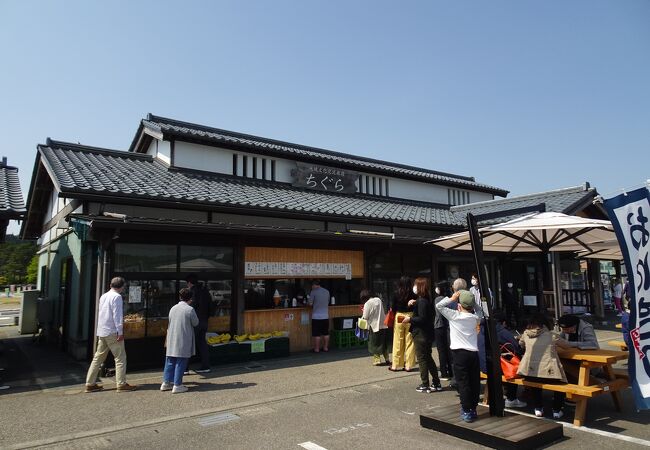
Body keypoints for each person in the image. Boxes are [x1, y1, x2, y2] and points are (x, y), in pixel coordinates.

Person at [435, 281, 481, 423]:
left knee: (463, 382)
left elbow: (439, 306)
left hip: (459, 354)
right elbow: (480, 311)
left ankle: (466, 410)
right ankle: (473, 408)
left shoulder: (455, 316)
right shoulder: (475, 318)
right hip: (473, 353)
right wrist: (473, 302)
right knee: (474, 382)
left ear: (459, 305)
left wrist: (453, 298)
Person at [84, 277, 137, 393]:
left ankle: (90, 383)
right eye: (123, 286)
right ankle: (121, 384)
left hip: (102, 330)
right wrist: (120, 332)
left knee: (98, 358)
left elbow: (102, 313)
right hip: (112, 331)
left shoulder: (104, 296)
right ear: (121, 287)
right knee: (120, 358)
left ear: (110, 285)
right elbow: (117, 315)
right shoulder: (117, 297)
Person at [517, 313, 567, 419]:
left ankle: (538, 408)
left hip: (528, 373)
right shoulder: (552, 335)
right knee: (562, 383)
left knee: (535, 382)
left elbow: (521, 344)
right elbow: (566, 345)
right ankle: (557, 410)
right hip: (550, 374)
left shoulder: (525, 334)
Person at [403, 277, 442, 393]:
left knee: (422, 359)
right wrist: (413, 303)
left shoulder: (422, 301)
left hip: (421, 334)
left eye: (415, 285)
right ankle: (436, 382)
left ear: (419, 287)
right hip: (427, 334)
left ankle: (425, 383)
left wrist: (409, 319)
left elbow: (422, 318)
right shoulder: (424, 300)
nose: (413, 287)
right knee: (428, 358)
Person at [161, 288, 199, 393]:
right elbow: (196, 323)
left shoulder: (173, 308)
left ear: (180, 297)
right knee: (181, 361)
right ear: (190, 299)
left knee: (170, 360)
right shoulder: (190, 309)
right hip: (183, 337)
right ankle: (177, 385)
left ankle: (166, 383)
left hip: (172, 337)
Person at [492, 311, 526, 408]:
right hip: (502, 366)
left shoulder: (484, 329)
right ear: (503, 322)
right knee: (514, 365)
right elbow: (516, 348)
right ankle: (511, 398)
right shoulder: (503, 332)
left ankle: (507, 395)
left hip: (488, 362)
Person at [389, 276, 416, 372]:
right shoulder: (413, 294)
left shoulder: (396, 293)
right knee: (410, 341)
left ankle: (395, 365)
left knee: (398, 340)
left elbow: (393, 308)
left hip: (399, 316)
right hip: (410, 316)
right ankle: (408, 365)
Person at [186, 274, 212, 373]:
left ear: (189, 283)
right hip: (205, 321)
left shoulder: (193, 292)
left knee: (189, 343)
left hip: (196, 321)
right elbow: (211, 305)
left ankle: (185, 367)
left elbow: (191, 307)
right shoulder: (205, 291)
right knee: (202, 343)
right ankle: (206, 366)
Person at [360, 289, 390, 366]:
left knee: (374, 343)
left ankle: (377, 360)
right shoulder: (378, 300)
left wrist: (363, 310)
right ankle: (387, 359)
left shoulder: (367, 303)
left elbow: (365, 316)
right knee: (383, 343)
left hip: (374, 326)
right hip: (383, 325)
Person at [434, 280, 454, 381]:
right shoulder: (450, 298)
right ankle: (451, 371)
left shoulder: (438, 299)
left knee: (441, 350)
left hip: (439, 326)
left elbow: (439, 314)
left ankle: (444, 372)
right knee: (448, 349)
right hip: (449, 326)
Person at [309, 280, 330, 352]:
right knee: (326, 333)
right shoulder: (327, 291)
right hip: (325, 316)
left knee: (317, 334)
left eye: (312, 286)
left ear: (315, 285)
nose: (312, 287)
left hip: (316, 316)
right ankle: (325, 348)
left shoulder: (313, 292)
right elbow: (327, 302)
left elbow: (310, 304)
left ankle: (317, 349)